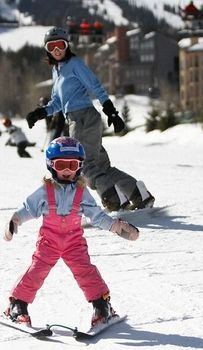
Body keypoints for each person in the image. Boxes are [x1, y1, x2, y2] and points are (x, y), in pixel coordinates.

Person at [2, 137, 139, 328]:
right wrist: (15, 220)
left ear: (80, 166)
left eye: (72, 165)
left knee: (86, 272)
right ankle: (17, 305)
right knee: (36, 271)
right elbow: (29, 208)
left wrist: (115, 226)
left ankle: (101, 305)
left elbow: (97, 216)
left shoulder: (82, 192)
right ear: (51, 165)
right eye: (61, 164)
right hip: (49, 242)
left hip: (74, 242)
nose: (67, 170)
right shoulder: (45, 190)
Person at [25, 27, 155, 212]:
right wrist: (39, 113)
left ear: (67, 45)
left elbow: (95, 86)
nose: (56, 50)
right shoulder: (57, 70)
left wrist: (112, 112)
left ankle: (114, 200)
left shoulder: (75, 63)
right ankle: (137, 194)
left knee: (83, 165)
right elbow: (58, 102)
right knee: (101, 166)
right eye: (52, 46)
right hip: (76, 119)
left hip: (83, 118)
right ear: (47, 49)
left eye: (60, 45)